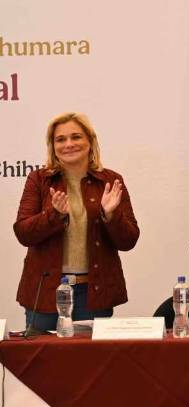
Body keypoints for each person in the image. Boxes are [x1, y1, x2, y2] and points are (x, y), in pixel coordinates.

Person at [14, 112, 140, 331]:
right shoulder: (38, 180)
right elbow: (23, 233)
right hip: (45, 293)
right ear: (53, 146)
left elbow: (129, 241)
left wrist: (111, 216)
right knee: (42, 354)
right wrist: (54, 215)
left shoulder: (111, 180)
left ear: (90, 141)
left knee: (89, 355)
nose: (69, 144)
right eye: (60, 139)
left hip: (92, 293)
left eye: (76, 137)